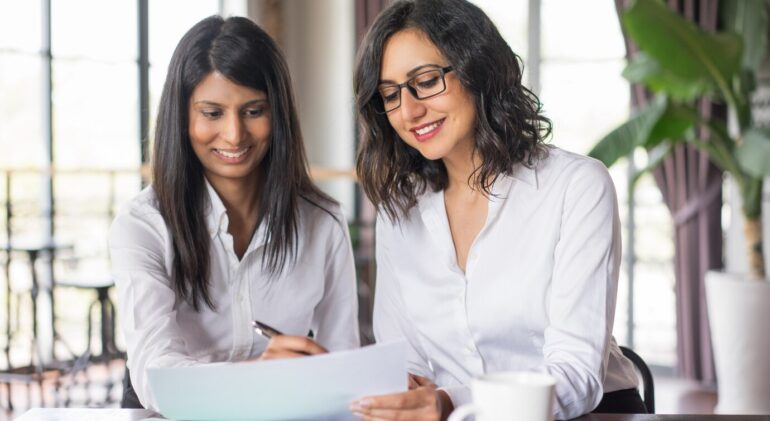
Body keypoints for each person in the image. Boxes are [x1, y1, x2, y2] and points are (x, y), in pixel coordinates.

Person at [349, 0, 642, 420]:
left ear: (478, 69)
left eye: (427, 81)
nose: (409, 110)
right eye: (389, 94)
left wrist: (453, 401)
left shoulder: (576, 187)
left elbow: (576, 373)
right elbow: (406, 363)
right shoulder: (400, 209)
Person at [109, 16, 359, 411]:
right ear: (183, 117)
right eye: (212, 113)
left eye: (253, 110)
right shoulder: (143, 226)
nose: (234, 134)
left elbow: (343, 361)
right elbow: (156, 375)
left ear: (278, 114)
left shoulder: (323, 222)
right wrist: (255, 377)